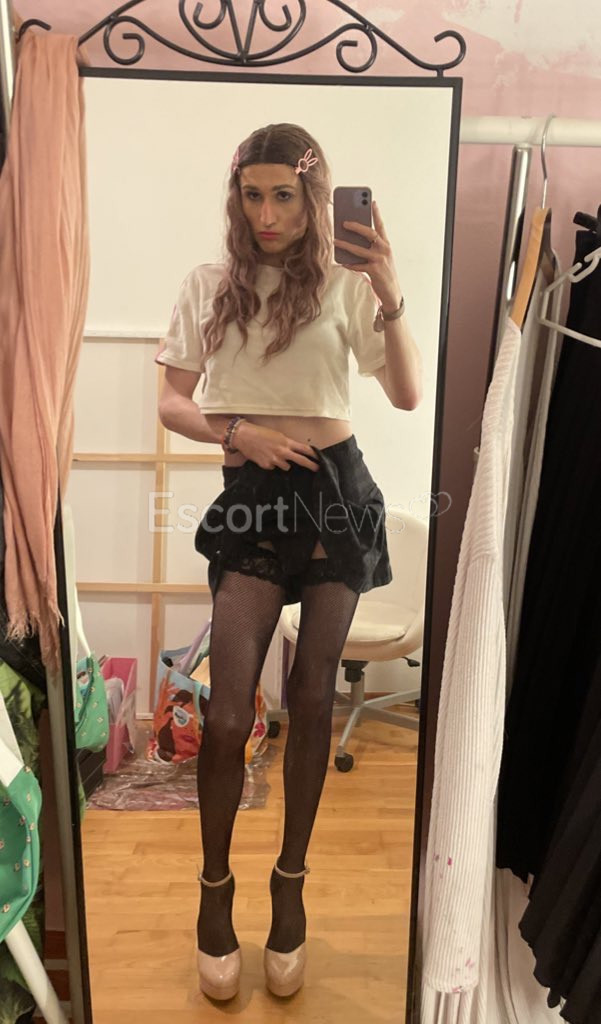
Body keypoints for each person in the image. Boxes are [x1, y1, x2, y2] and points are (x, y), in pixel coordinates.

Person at [156, 123, 422, 1001]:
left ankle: (289, 885)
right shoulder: (209, 285)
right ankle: (215, 887)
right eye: (252, 194)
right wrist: (240, 432)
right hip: (254, 491)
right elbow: (172, 402)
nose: (266, 214)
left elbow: (406, 394)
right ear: (235, 196)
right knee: (228, 713)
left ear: (314, 197)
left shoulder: (346, 284)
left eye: (283, 195)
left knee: (312, 701)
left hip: (337, 492)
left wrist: (389, 292)